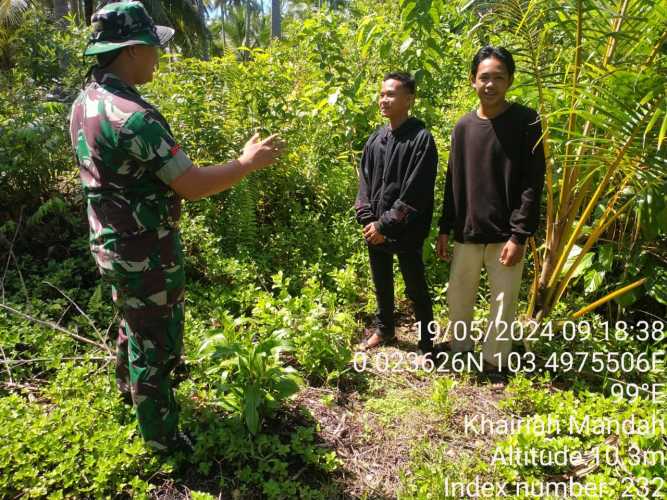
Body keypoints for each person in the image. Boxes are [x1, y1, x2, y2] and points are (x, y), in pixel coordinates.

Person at [69, 1, 284, 453]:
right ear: (130, 51)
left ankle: (129, 394)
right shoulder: (134, 117)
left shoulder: (85, 103)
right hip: (145, 251)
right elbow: (190, 184)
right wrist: (246, 164)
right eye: (152, 47)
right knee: (157, 344)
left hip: (109, 245)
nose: (158, 56)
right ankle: (161, 439)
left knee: (133, 322)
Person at [436, 46, 546, 371]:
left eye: (499, 77)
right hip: (467, 232)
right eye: (484, 77)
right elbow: (453, 181)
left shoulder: (526, 121)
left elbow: (532, 182)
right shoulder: (463, 127)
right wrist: (445, 227)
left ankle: (493, 363)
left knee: (503, 304)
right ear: (473, 80)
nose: (491, 84)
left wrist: (520, 234)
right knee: (458, 297)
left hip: (506, 235)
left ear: (510, 80)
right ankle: (460, 351)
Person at [355, 72, 438, 355]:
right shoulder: (376, 138)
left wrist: (385, 225)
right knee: (381, 283)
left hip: (405, 229)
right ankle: (385, 329)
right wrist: (368, 219)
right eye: (382, 94)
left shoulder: (420, 139)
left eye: (391, 94)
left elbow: (416, 192)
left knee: (415, 286)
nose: (384, 100)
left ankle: (427, 342)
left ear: (409, 99)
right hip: (374, 227)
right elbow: (364, 181)